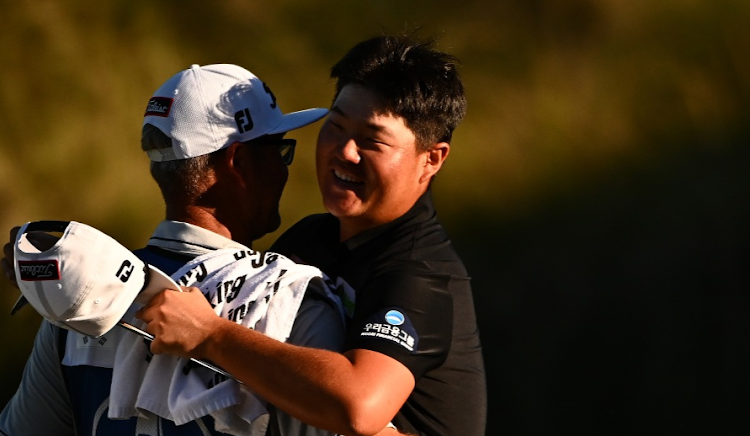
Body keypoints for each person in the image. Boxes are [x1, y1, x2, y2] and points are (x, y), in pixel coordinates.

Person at [135, 35, 487, 436]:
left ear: (432, 158)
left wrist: (210, 335)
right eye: (335, 127)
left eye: (372, 141)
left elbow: (358, 407)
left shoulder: (419, 273)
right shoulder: (311, 239)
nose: (345, 151)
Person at [0, 63, 346, 436]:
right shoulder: (292, 302)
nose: (284, 169)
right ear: (239, 162)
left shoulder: (75, 296)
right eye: (279, 151)